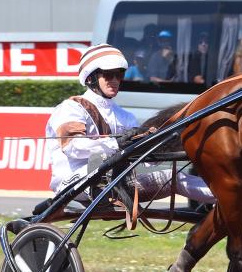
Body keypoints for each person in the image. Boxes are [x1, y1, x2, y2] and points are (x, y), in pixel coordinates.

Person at [45, 44, 215, 204]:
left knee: (174, 177)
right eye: (108, 75)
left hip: (115, 183)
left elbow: (143, 162)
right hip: (74, 184)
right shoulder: (71, 108)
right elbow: (73, 146)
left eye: (119, 75)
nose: (115, 80)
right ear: (90, 78)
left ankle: (231, 198)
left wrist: (159, 146)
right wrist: (117, 144)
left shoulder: (125, 116)